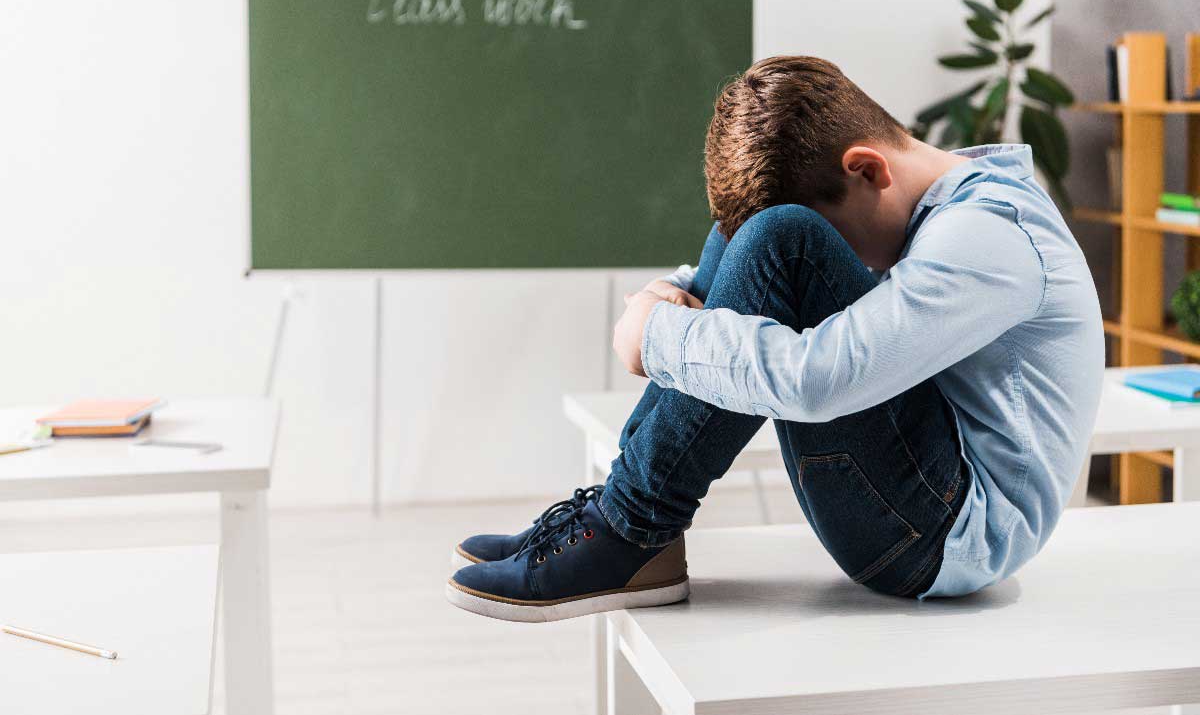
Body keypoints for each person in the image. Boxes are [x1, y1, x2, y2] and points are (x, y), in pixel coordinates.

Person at [445, 56, 1104, 623]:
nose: (848, 254)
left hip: (946, 534)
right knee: (744, 228)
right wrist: (665, 298)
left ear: (867, 169)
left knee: (785, 239)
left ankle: (631, 526)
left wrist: (661, 336)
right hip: (914, 481)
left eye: (844, 233)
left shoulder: (989, 238)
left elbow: (821, 380)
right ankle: (632, 519)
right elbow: (749, 266)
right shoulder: (938, 199)